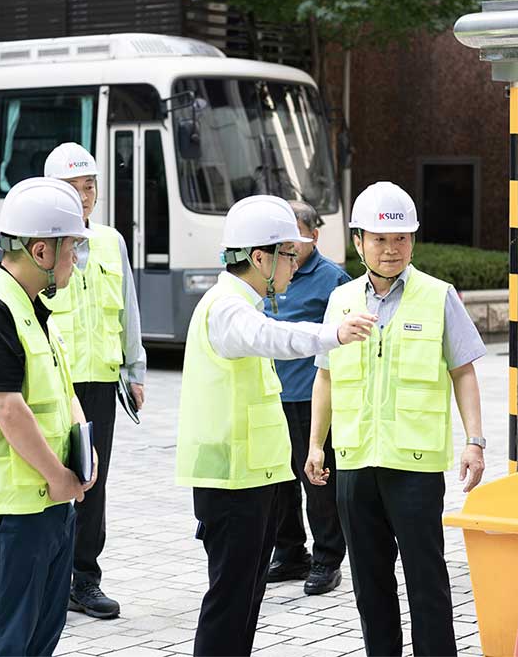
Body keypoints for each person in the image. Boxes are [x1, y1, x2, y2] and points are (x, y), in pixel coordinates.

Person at [175, 195, 377, 657]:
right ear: (259, 258)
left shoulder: (244, 302)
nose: (293, 263)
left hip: (250, 479)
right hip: (230, 484)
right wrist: (333, 334)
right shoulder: (227, 307)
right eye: (287, 254)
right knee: (229, 601)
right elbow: (273, 337)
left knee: (245, 599)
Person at [306, 181, 488, 657]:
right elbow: (324, 378)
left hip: (415, 467)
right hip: (356, 461)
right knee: (370, 584)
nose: (391, 249)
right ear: (359, 242)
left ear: (413, 240)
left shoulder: (438, 295)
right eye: (381, 239)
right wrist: (315, 445)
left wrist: (476, 441)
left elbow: (463, 371)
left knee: (427, 581)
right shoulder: (341, 301)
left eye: (401, 238)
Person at [0, 177, 98, 657]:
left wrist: (79, 468)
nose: (76, 256)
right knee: (10, 639)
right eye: (71, 246)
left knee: (40, 634)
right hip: (8, 506)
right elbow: (7, 409)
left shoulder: (33, 309)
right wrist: (58, 477)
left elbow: (62, 394)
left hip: (47, 497)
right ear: (40, 251)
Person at [42, 142, 146, 619]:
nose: (83, 196)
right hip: (52, 384)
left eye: (89, 187)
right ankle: (49, 577)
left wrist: (135, 369)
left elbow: (128, 309)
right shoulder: (39, 242)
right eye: (72, 187)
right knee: (48, 479)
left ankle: (85, 580)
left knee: (92, 481)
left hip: (100, 383)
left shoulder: (110, 242)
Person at [264, 201, 351, 595]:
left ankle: (327, 558)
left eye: (295, 236)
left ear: (314, 237)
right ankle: (289, 552)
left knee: (316, 480)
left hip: (309, 397)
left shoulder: (332, 279)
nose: (288, 243)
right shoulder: (268, 271)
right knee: (279, 481)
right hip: (270, 394)